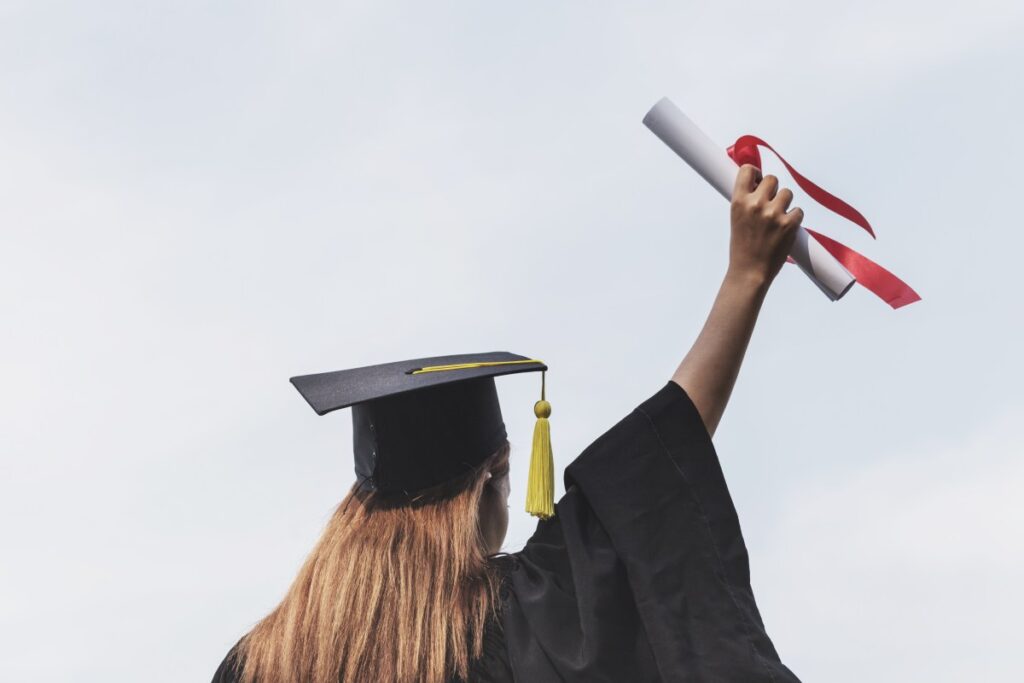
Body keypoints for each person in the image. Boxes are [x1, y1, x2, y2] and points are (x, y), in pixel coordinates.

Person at [211, 163, 804, 683]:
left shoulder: (259, 662)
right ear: (488, 477)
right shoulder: (523, 617)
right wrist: (747, 274)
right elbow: (651, 473)